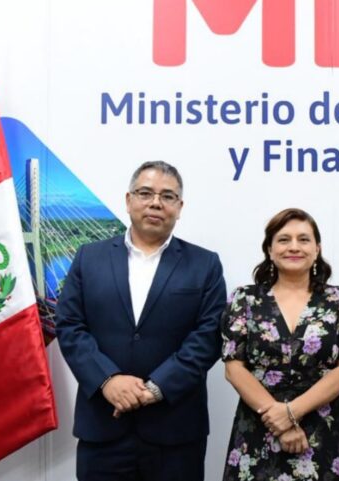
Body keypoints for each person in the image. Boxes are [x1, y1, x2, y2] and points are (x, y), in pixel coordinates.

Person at [55, 161, 226, 481]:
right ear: (129, 199)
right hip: (103, 426)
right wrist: (108, 380)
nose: (156, 203)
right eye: (145, 193)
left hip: (175, 431)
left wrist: (156, 388)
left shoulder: (205, 264)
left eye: (167, 196)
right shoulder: (89, 257)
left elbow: (209, 336)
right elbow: (70, 326)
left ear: (179, 207)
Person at [220, 208, 339, 481]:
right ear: (270, 249)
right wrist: (279, 421)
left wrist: (290, 413)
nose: (294, 247)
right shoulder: (244, 299)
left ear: (317, 248)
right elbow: (234, 369)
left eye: (304, 239)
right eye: (284, 239)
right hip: (259, 425)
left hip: (321, 429)